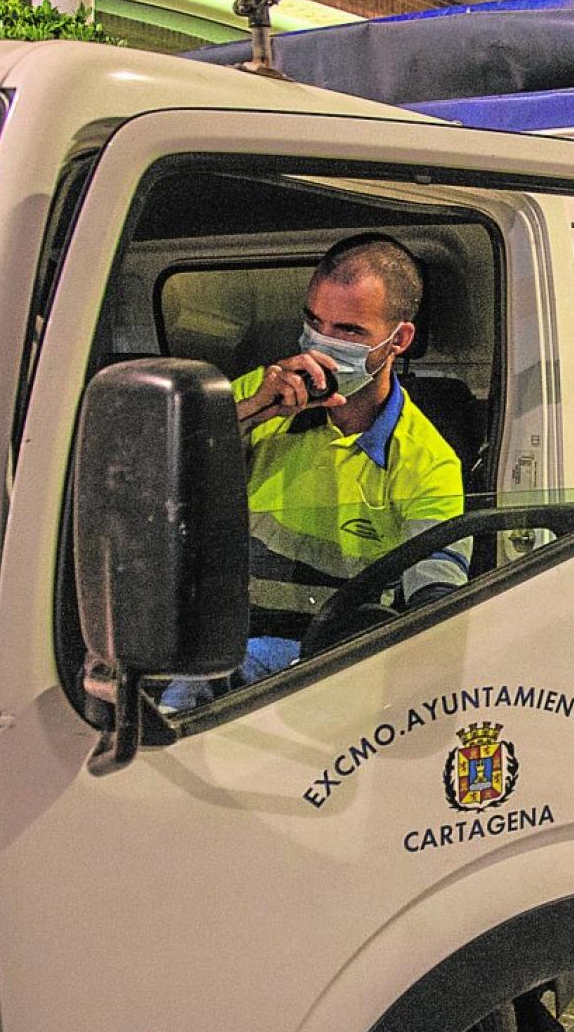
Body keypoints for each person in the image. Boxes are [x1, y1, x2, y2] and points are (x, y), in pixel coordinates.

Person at [165, 234, 468, 708]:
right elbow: (168, 481)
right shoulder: (259, 391)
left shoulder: (427, 460)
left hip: (336, 662)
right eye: (314, 322)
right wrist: (254, 411)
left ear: (399, 341)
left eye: (348, 331)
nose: (323, 343)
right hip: (224, 637)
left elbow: (437, 587)